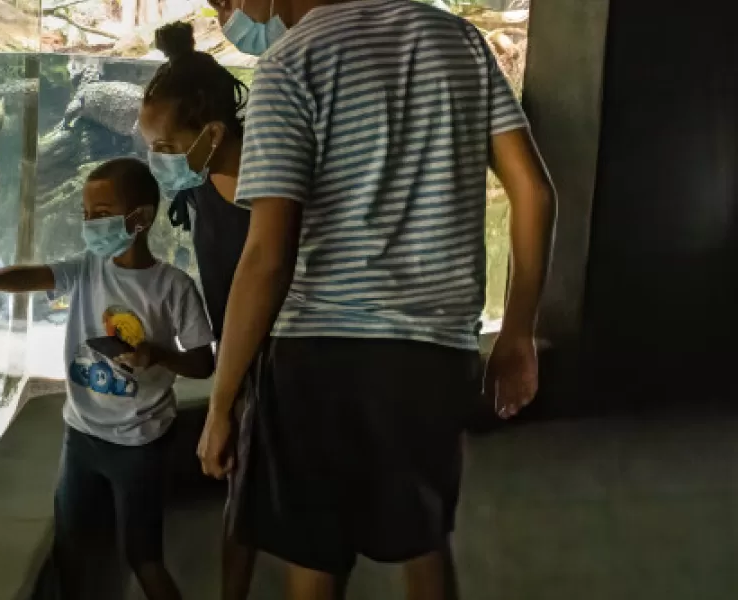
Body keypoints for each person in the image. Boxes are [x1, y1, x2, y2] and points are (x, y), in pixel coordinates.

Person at [195, 1, 557, 600]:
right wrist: (517, 332)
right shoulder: (460, 42)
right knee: (425, 544)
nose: (237, 10)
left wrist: (222, 402)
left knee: (314, 559)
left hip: (318, 354)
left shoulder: (290, 62)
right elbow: (534, 193)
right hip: (433, 352)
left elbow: (268, 256)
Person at [0, 157, 215, 600]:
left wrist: (157, 355)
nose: (90, 224)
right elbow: (37, 275)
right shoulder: (89, 268)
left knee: (143, 557)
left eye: (101, 213)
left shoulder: (173, 286)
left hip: (140, 441)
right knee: (70, 547)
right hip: (81, 435)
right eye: (86, 214)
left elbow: (203, 363)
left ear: (140, 219)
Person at [136, 20, 266, 600]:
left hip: (284, 360)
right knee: (241, 493)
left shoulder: (268, 189)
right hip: (242, 362)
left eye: (165, 147)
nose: (157, 159)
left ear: (212, 132)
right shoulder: (202, 177)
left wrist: (223, 400)